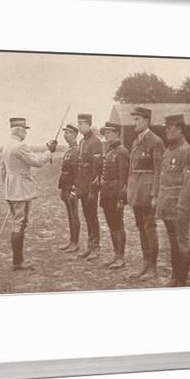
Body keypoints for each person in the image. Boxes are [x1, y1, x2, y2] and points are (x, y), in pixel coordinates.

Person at [1, 117, 58, 271]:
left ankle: (18, 260)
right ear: (18, 130)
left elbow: (3, 171)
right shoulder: (20, 146)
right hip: (21, 190)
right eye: (24, 129)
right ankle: (18, 262)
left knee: (17, 222)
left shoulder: (7, 146)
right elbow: (38, 162)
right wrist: (49, 151)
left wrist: (9, 187)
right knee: (20, 224)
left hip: (11, 189)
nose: (26, 132)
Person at [156, 114, 190, 287]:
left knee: (181, 242)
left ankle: (182, 280)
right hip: (167, 204)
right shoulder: (170, 149)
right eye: (166, 128)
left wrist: (182, 205)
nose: (167, 131)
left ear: (180, 129)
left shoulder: (186, 150)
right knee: (173, 242)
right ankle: (175, 276)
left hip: (179, 206)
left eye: (170, 128)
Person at [127, 107, 165, 280]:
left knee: (149, 228)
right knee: (141, 227)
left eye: (137, 119)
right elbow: (131, 169)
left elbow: (158, 170)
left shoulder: (155, 141)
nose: (134, 123)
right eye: (133, 119)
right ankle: (145, 262)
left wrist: (155, 195)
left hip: (148, 192)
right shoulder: (135, 142)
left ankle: (153, 267)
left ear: (146, 121)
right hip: (136, 191)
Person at [99, 122, 130, 269]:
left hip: (115, 193)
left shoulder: (122, 152)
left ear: (117, 133)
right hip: (106, 192)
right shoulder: (110, 151)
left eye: (109, 133)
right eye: (105, 133)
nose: (106, 135)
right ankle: (115, 255)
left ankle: (120, 257)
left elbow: (124, 178)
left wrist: (121, 199)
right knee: (112, 225)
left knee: (118, 225)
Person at [75, 113, 103, 260]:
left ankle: (96, 247)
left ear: (89, 124)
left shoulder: (95, 141)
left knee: (92, 216)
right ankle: (90, 245)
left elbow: (97, 166)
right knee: (87, 215)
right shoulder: (82, 142)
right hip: (82, 184)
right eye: (78, 124)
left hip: (91, 184)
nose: (79, 126)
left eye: (82, 124)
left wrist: (94, 187)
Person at [57, 123, 80, 253]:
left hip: (72, 186)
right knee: (69, 214)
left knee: (74, 214)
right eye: (65, 133)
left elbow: (76, 171)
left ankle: (75, 242)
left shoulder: (76, 150)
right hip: (65, 186)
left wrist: (73, 189)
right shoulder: (69, 150)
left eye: (69, 133)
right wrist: (62, 188)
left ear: (75, 135)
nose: (66, 135)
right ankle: (71, 241)